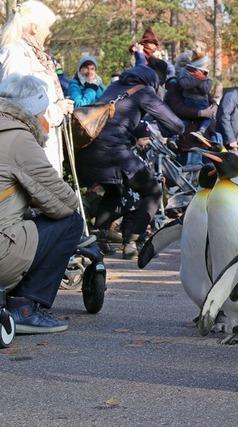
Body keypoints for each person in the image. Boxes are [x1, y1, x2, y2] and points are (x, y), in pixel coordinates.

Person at [0, 75, 83, 333]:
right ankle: (23, 307)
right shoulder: (17, 138)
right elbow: (64, 202)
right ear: (34, 111)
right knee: (71, 222)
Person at [75, 64, 184, 258]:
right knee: (152, 190)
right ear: (153, 81)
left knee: (114, 190)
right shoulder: (145, 92)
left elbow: (119, 120)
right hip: (114, 152)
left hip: (88, 150)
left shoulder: (114, 86)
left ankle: (100, 238)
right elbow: (176, 125)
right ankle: (133, 242)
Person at [0, 0, 75, 175]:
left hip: (41, 146)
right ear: (34, 27)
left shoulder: (34, 55)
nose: (49, 32)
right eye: (47, 27)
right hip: (30, 152)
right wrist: (57, 110)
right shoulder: (16, 53)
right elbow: (14, 107)